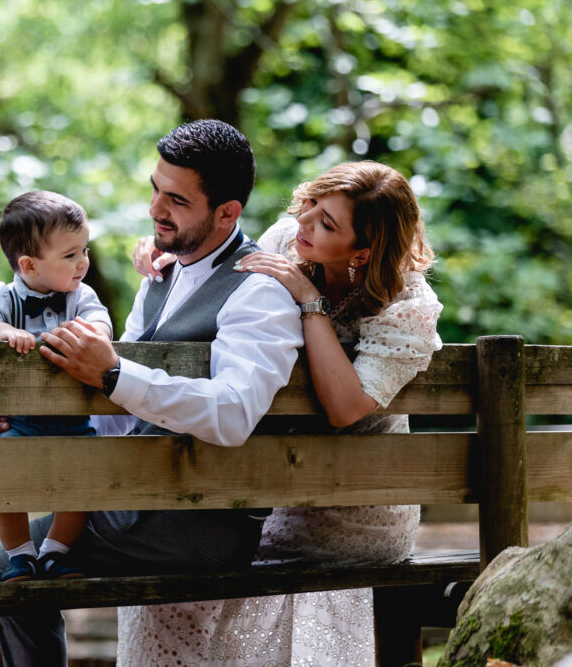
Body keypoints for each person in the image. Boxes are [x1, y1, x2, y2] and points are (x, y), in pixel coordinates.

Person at [0, 119, 304, 666]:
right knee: (18, 575)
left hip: (192, 522)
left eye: (177, 200)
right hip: (129, 498)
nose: (155, 208)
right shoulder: (160, 279)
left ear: (227, 213)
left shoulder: (260, 294)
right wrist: (26, 418)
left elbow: (234, 414)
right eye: (155, 189)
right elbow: (119, 414)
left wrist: (115, 374)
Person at [119, 160, 443, 666]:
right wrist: (173, 257)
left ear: (363, 252)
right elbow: (220, 280)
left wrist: (310, 301)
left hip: (355, 514)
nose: (303, 222)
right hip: (273, 493)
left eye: (326, 223)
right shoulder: (287, 240)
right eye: (310, 203)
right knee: (178, 568)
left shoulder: (407, 306)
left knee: (195, 561)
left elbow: (345, 408)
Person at [0, 190, 113, 582]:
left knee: (84, 480)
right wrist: (3, 331)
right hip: (19, 422)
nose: (83, 262)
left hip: (73, 423)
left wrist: (91, 333)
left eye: (84, 250)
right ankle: (20, 555)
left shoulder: (80, 297)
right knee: (3, 478)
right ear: (29, 265)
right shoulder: (4, 298)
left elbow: (101, 322)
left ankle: (55, 551)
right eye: (70, 255)